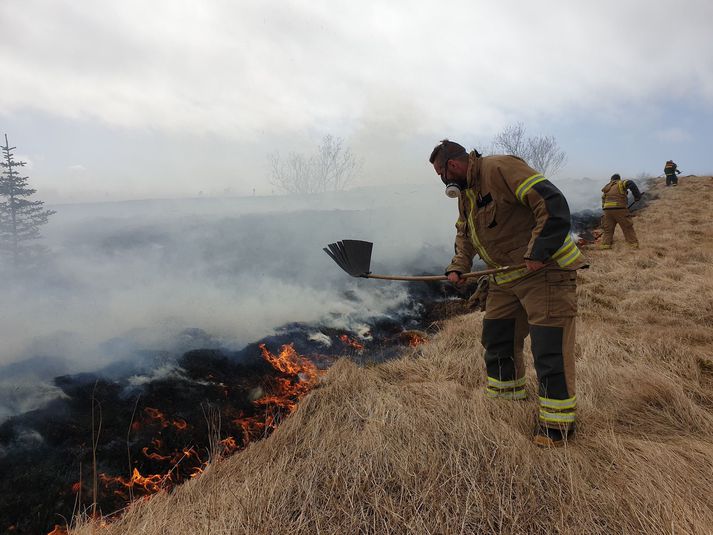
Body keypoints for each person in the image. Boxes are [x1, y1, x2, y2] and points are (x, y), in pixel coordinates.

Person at [429, 139, 586, 447]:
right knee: (497, 338)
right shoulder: (467, 195)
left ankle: (557, 426)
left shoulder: (501, 168)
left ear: (453, 165)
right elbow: (465, 233)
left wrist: (539, 250)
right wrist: (458, 266)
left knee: (549, 348)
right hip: (504, 278)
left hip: (544, 272)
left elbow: (551, 202)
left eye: (440, 172)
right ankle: (506, 403)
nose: (442, 180)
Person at [599, 173, 642, 249]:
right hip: (619, 209)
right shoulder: (621, 183)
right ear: (618, 179)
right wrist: (637, 196)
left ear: (611, 179)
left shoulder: (607, 187)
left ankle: (605, 246)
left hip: (607, 211)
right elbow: (631, 183)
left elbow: (603, 199)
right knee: (627, 227)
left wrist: (605, 210)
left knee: (608, 229)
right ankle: (633, 245)